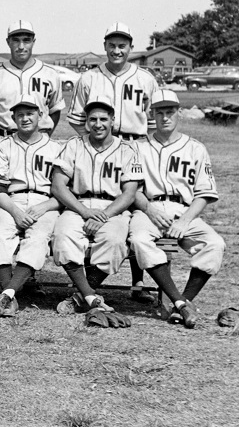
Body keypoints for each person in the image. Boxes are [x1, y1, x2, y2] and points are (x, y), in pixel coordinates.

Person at [67, 22, 160, 302]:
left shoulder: (145, 79)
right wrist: (96, 145)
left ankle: (138, 281)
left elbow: (153, 122)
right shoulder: (89, 78)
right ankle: (89, 278)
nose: (117, 50)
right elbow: (76, 120)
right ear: (105, 46)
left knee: (135, 206)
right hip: (101, 145)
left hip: (135, 143)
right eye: (112, 45)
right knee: (111, 205)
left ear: (130, 47)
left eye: (123, 45)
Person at [128, 90, 225, 329]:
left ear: (179, 113)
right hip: (148, 208)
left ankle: (182, 302)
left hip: (184, 209)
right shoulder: (137, 147)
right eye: (159, 112)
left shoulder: (196, 148)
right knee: (140, 240)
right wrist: (149, 210)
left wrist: (184, 221)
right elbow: (132, 190)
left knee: (215, 244)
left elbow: (204, 194)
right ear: (151, 115)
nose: (165, 117)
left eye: (170, 112)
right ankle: (181, 303)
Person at [47, 98, 137, 323]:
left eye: (103, 119)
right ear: (86, 122)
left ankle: (79, 296)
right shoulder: (74, 145)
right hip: (79, 205)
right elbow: (58, 186)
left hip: (112, 208)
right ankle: (89, 295)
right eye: (93, 119)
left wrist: (104, 215)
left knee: (115, 241)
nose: (98, 124)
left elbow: (129, 193)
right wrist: (85, 212)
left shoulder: (126, 149)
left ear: (113, 121)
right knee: (62, 235)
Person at [0, 96, 63, 318]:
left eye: (30, 113)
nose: (25, 118)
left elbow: (66, 191)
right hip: (11, 201)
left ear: (41, 116)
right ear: (13, 118)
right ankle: (11, 297)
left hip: (45, 203)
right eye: (20, 114)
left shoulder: (55, 148)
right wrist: (16, 212)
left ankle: (6, 293)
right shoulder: (3, 145)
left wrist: (46, 206)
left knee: (38, 238)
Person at [0, 20, 65, 144]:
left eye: (26, 40)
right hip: (4, 140)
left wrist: (44, 136)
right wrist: (0, 136)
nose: (21, 46)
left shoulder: (50, 73)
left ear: (33, 42)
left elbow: (55, 110)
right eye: (16, 40)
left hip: (40, 141)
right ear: (8, 42)